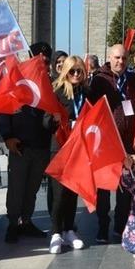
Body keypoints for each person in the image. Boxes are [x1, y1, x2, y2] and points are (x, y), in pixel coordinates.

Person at [0, 61, 55, 244]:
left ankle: (27, 220)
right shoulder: (15, 84)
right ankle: (13, 223)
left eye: (45, 63)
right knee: (17, 188)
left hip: (41, 146)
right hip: (19, 146)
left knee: (32, 188)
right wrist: (7, 136)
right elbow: (3, 110)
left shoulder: (48, 86)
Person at [91, 43, 135, 241]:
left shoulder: (134, 80)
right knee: (104, 188)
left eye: (124, 58)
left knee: (126, 189)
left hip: (127, 143)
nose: (120, 61)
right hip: (106, 143)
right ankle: (102, 226)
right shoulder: (99, 80)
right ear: (109, 58)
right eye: (117, 57)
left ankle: (120, 227)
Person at [47, 56, 90, 253]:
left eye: (79, 71)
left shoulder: (87, 92)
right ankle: (56, 232)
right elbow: (45, 121)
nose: (76, 74)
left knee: (73, 192)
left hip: (79, 148)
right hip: (60, 148)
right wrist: (54, 120)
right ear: (65, 71)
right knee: (59, 193)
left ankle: (69, 230)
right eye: (72, 71)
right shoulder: (56, 92)